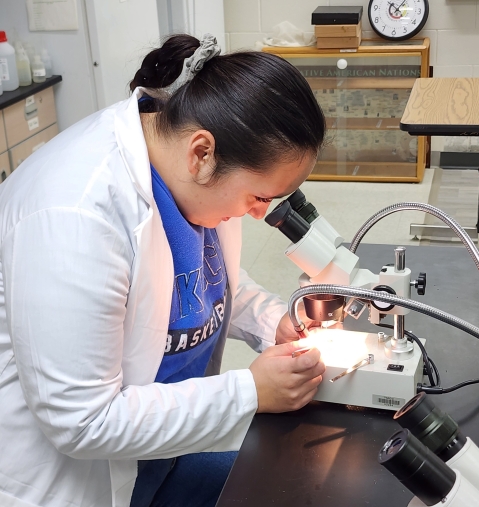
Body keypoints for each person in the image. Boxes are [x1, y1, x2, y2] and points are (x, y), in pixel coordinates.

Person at [0, 34, 326, 507]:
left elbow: (204, 281)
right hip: (81, 478)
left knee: (296, 479)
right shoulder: (76, 212)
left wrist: (273, 320)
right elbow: (81, 422)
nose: (261, 214)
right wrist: (249, 391)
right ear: (202, 153)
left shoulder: (186, 178)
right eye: (259, 196)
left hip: (164, 447)